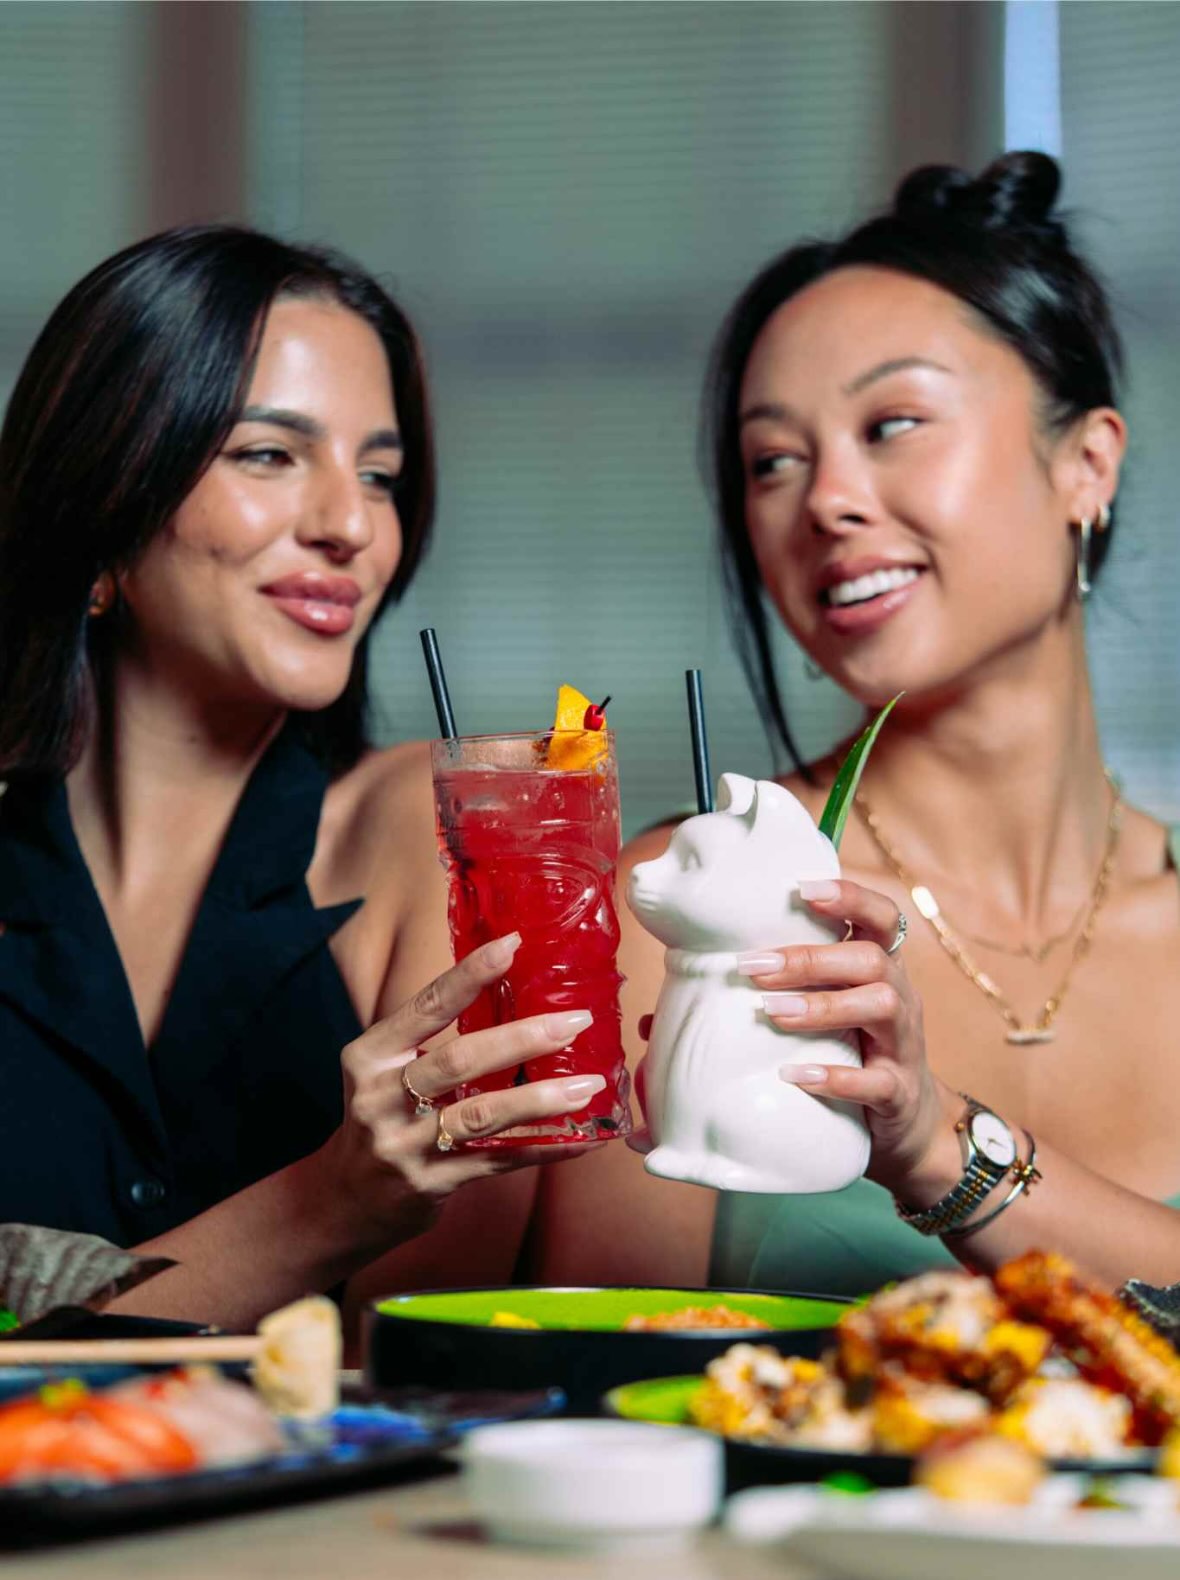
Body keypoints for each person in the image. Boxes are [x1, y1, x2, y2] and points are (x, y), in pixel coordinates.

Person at [575, 150, 1180, 1297]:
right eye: (772, 461)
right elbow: (602, 1381)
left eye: (894, 422)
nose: (826, 501)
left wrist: (939, 1144)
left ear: (1085, 465)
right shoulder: (681, 909)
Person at [0, 226, 605, 1330]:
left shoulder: (451, 827)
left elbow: (412, 1368)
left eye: (380, 474)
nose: (351, 525)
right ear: (105, 494)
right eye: (268, 454)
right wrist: (327, 1201)